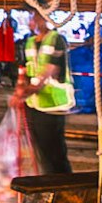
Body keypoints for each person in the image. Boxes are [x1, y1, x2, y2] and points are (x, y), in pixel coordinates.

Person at [18, 20, 76, 177]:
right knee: (41, 153)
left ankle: (63, 189)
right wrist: (21, 85)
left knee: (54, 153)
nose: (33, 21)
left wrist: (27, 91)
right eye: (31, 16)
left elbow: (50, 69)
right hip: (34, 105)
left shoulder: (56, 40)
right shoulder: (29, 42)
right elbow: (25, 68)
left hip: (53, 105)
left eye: (36, 16)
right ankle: (49, 187)